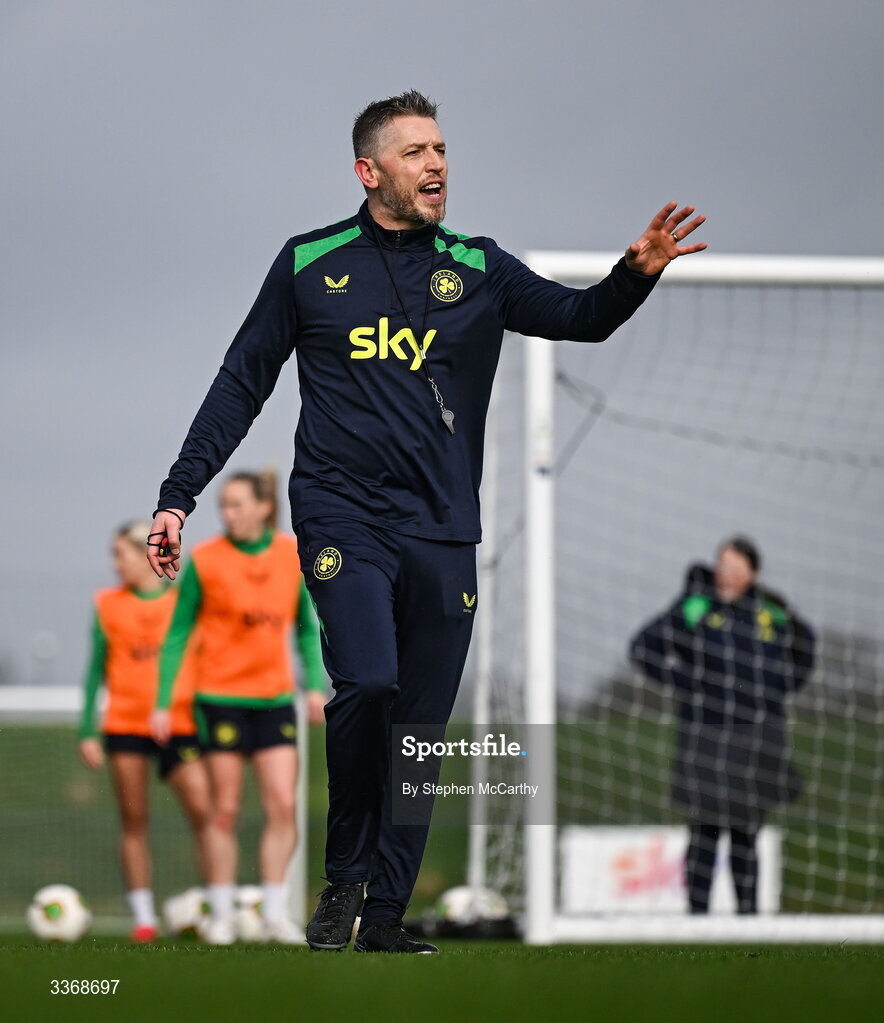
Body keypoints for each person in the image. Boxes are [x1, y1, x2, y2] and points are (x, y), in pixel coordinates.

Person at [146, 89, 707, 953]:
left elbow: (580, 319)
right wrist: (179, 495)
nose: (436, 163)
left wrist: (635, 273)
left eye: (441, 147)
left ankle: (384, 915)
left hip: (444, 526)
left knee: (419, 729)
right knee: (368, 682)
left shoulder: (478, 267)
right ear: (370, 171)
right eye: (414, 151)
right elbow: (240, 382)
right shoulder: (308, 262)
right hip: (343, 515)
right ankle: (344, 874)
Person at [151, 470, 326, 945]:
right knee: (224, 810)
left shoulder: (292, 554)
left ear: (264, 507)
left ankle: (273, 913)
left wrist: (314, 684)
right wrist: (163, 701)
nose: (227, 513)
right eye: (223, 505)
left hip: (273, 700)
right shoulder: (206, 561)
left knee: (283, 805)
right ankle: (223, 912)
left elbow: (306, 627)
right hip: (220, 700)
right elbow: (177, 634)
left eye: (236, 504)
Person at [629, 537, 816, 914]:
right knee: (704, 832)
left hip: (758, 737)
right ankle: (697, 918)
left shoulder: (770, 613)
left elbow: (806, 646)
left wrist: (779, 687)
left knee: (746, 833)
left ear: (752, 573)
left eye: (734, 567)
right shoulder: (695, 607)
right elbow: (643, 647)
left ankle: (748, 918)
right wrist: (684, 683)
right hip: (705, 736)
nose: (725, 574)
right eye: (721, 565)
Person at [78, 521, 211, 942]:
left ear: (146, 555)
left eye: (122, 554)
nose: (116, 564)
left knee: (204, 815)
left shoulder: (184, 603)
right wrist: (87, 730)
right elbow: (94, 672)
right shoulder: (107, 605)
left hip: (181, 724)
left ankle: (214, 908)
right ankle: (143, 918)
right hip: (126, 724)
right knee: (133, 820)